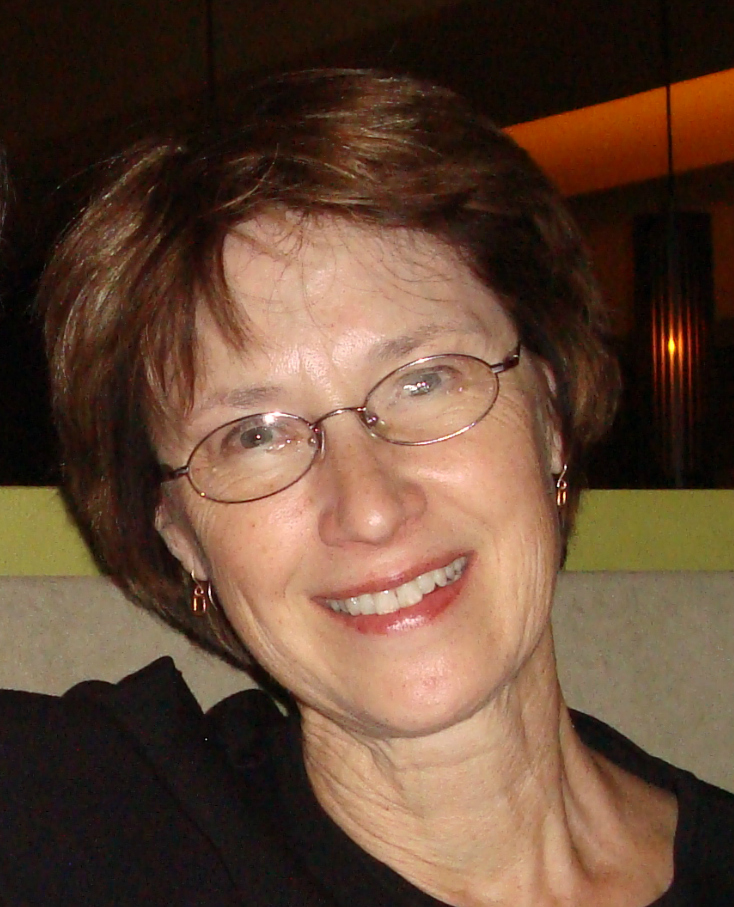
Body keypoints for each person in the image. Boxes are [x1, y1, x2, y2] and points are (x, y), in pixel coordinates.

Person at [2, 69, 733, 906]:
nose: (372, 506)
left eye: (425, 380)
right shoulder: (87, 830)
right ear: (179, 535)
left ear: (552, 418)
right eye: (256, 435)